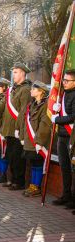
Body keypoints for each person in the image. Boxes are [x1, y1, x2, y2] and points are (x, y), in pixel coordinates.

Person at [0, 62, 32, 190]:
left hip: (17, 129)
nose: (14, 74)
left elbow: (24, 111)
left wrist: (19, 128)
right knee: (11, 156)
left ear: (23, 73)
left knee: (18, 157)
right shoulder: (13, 89)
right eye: (13, 72)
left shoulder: (25, 89)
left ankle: (18, 182)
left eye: (16, 72)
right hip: (8, 129)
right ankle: (12, 179)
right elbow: (3, 105)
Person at [20, 81, 52, 197]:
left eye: (34, 89)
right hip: (30, 140)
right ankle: (32, 185)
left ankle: (36, 186)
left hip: (39, 141)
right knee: (33, 163)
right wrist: (22, 136)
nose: (31, 91)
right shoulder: (32, 104)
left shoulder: (46, 105)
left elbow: (45, 124)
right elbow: (25, 121)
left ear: (41, 92)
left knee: (38, 163)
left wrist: (39, 141)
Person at [51, 69, 75, 207]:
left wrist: (58, 119)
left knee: (73, 168)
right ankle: (66, 195)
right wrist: (57, 109)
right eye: (63, 80)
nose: (64, 82)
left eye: (67, 80)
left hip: (72, 138)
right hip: (61, 136)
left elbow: (73, 117)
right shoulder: (63, 93)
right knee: (64, 167)